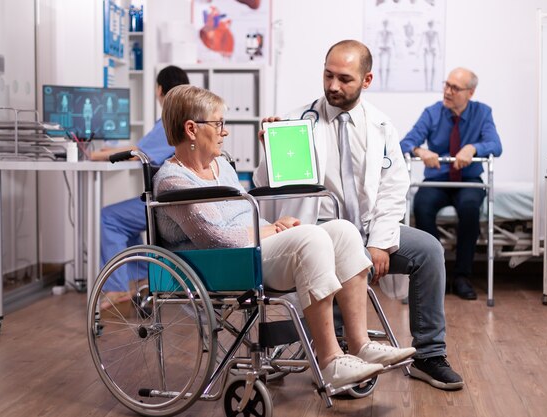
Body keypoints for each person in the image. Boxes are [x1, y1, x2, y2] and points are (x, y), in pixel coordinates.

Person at [152, 84, 416, 388]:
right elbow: (215, 238)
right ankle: (330, 360)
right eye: (218, 123)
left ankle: (359, 344)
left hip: (250, 250)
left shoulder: (220, 166)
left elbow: (242, 215)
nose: (224, 132)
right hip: (222, 265)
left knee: (342, 231)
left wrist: (273, 225)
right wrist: (271, 228)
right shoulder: (173, 181)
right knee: (311, 238)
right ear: (191, 129)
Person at [253, 40, 464, 391]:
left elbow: (394, 186)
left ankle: (429, 355)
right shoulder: (294, 122)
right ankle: (341, 348)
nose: (333, 86)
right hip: (318, 231)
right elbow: (266, 191)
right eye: (328, 75)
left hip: (368, 230)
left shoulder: (381, 125)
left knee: (428, 251)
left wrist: (381, 242)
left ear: (366, 80)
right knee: (330, 247)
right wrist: (271, 154)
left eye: (345, 79)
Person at [400, 68, 502, 300]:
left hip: (468, 179)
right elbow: (405, 142)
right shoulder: (432, 113)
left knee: (469, 208)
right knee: (422, 205)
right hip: (437, 179)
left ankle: (462, 276)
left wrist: (473, 148)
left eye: (455, 88)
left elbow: (496, 145)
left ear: (470, 92)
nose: (447, 91)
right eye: (446, 85)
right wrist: (420, 150)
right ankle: (436, 272)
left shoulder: (483, 113)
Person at [92, 66, 190, 309]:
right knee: (124, 222)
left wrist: (95, 155)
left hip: (166, 204)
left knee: (108, 218)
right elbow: (141, 150)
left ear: (159, 90)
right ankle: (138, 278)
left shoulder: (170, 121)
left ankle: (117, 288)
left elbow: (137, 154)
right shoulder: (187, 119)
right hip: (182, 199)